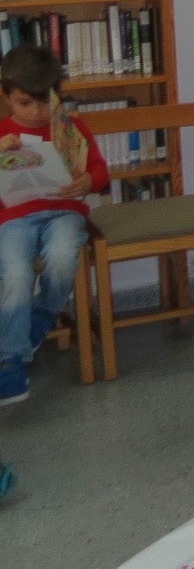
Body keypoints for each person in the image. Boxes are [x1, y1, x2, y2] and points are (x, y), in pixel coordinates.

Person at [0, 46, 107, 404]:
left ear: (57, 96)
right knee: (15, 273)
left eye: (44, 102)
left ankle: (43, 314)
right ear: (6, 97)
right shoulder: (2, 132)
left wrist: (87, 182)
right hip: (13, 219)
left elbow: (100, 171)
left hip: (64, 212)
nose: (35, 113)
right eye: (24, 103)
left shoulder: (70, 128)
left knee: (62, 257)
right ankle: (10, 360)